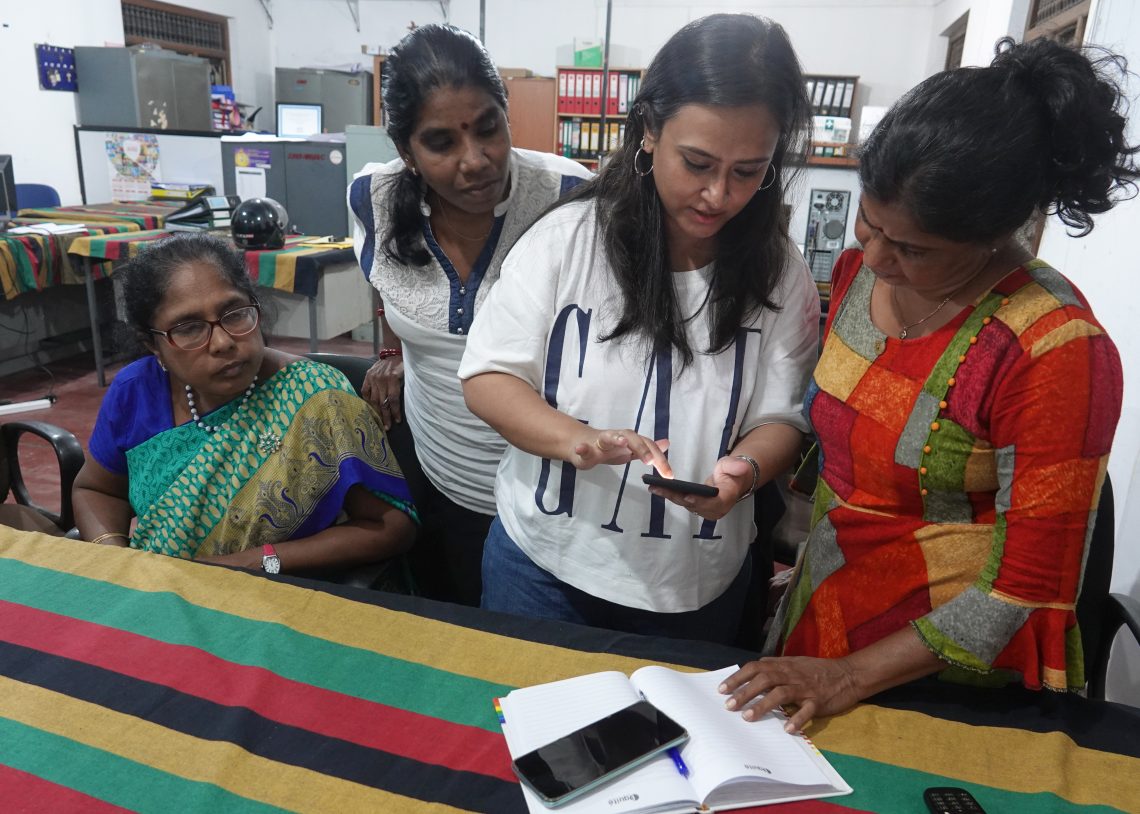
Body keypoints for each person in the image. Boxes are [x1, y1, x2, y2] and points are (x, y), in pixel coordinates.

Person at [720, 36, 1136, 731]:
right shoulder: (858, 278)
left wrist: (852, 672)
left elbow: (1026, 590)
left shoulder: (1055, 351)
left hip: (947, 669)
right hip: (823, 617)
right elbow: (845, 456)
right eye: (869, 223)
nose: (877, 257)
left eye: (913, 249)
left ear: (1000, 234)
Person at [459, 14, 820, 643]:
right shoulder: (568, 240)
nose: (717, 194)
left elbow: (782, 418)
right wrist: (577, 439)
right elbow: (489, 376)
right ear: (649, 130)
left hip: (697, 584)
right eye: (698, 162)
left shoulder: (781, 274)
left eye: (748, 171)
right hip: (545, 570)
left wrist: (745, 472)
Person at [348, 23, 591, 605]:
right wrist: (395, 353)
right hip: (437, 473)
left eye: (489, 129)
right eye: (441, 143)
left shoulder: (570, 197)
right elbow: (393, 291)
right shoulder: (371, 199)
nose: (476, 160)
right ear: (406, 151)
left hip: (550, 492)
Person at [72, 233, 417, 575]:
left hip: (275, 598)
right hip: (159, 591)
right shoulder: (136, 391)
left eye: (235, 313)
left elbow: (389, 528)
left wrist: (252, 562)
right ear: (153, 344)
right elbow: (95, 489)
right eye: (190, 328)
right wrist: (115, 559)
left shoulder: (316, 397)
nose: (223, 342)